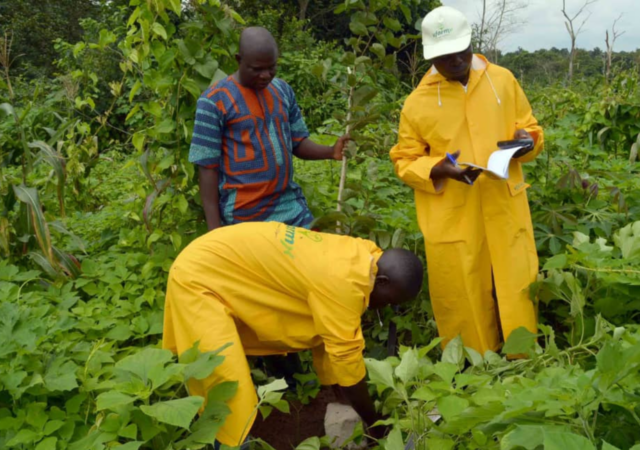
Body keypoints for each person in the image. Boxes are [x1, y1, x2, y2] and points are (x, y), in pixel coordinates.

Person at [162, 222, 424, 446]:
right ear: (383, 281)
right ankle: (232, 445)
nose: (389, 307)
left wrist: (342, 401)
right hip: (199, 277)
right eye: (391, 301)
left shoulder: (365, 255)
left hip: (222, 258)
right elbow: (345, 358)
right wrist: (375, 426)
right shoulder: (342, 285)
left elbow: (330, 335)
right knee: (226, 384)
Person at [389, 6, 544, 355]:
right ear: (432, 56)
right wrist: (438, 168)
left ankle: (523, 356)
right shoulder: (417, 103)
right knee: (461, 285)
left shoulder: (502, 80)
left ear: (471, 43)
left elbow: (531, 128)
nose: (457, 60)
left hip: (504, 199)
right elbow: (404, 160)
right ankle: (477, 361)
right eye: (446, 56)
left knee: (517, 280)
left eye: (462, 50)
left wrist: (526, 143)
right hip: (454, 210)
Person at [189, 26, 350, 230]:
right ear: (239, 60)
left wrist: (330, 151)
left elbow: (298, 142)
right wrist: (215, 232)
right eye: (257, 69)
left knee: (316, 254)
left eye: (271, 67)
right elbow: (207, 168)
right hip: (243, 214)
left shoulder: (283, 91)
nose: (266, 75)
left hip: (290, 204)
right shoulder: (213, 101)